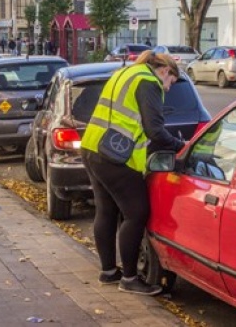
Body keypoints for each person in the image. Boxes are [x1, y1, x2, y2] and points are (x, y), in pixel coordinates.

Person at [81, 50, 185, 296]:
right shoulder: (149, 82)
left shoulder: (126, 73)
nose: (169, 88)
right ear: (165, 71)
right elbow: (155, 131)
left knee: (105, 210)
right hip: (116, 155)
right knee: (137, 213)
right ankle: (129, 278)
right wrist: (182, 147)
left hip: (92, 146)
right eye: (171, 82)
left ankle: (108, 271)